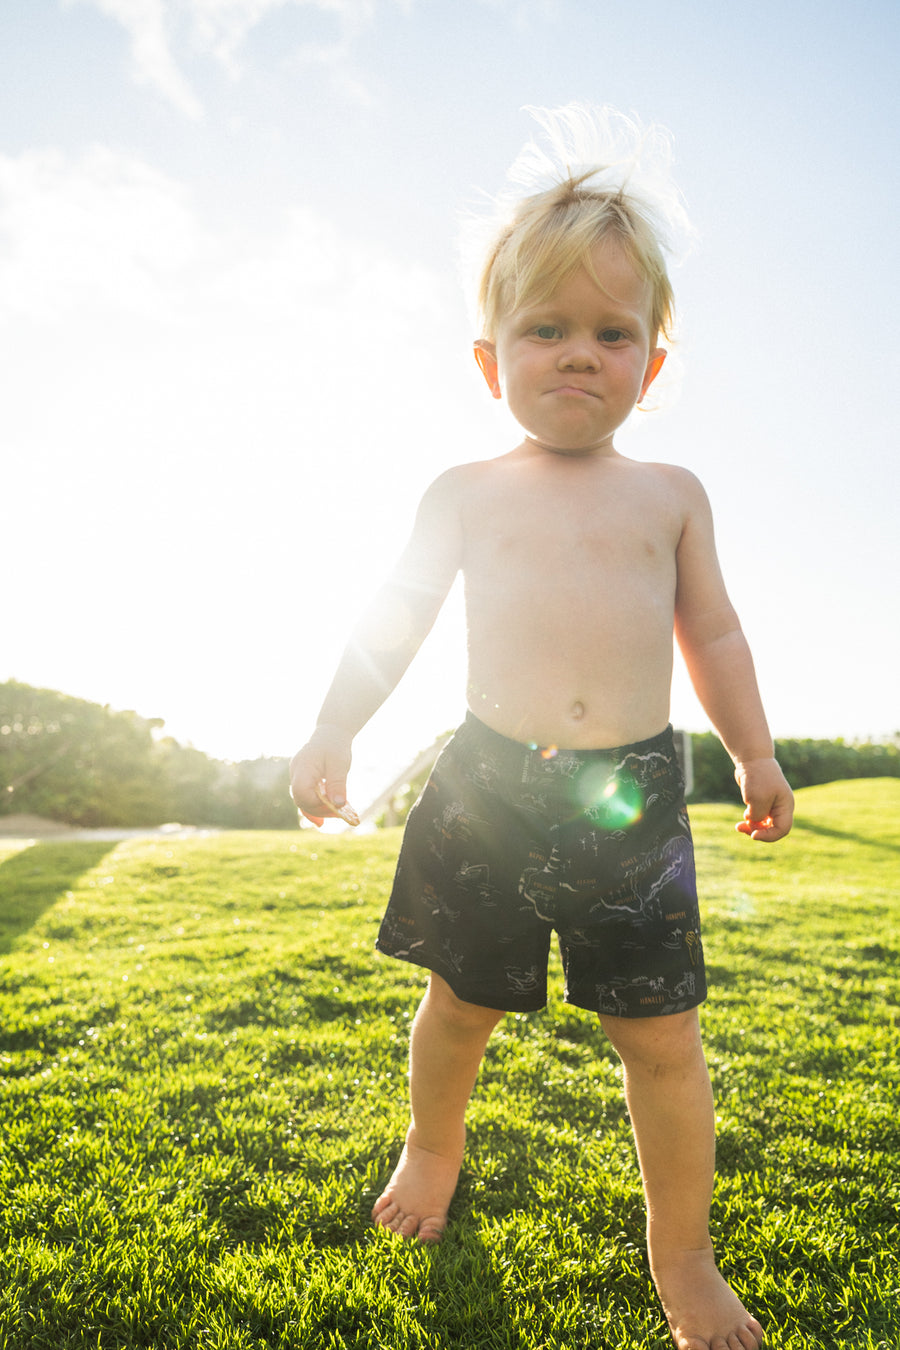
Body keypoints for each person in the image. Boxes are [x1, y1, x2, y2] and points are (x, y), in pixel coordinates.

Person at [290, 105, 793, 1350]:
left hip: (631, 794)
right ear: (490, 359)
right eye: (546, 329)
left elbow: (713, 636)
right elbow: (392, 624)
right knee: (459, 1004)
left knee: (661, 1042)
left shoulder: (672, 497)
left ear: (652, 367)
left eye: (612, 334)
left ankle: (683, 1261)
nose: (580, 355)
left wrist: (755, 746)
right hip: (487, 787)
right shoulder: (464, 495)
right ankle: (432, 1141)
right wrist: (332, 730)